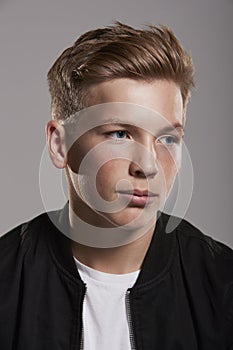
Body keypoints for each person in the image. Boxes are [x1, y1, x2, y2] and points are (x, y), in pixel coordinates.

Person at [0, 22, 232, 350]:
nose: (148, 166)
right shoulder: (6, 283)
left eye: (167, 138)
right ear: (59, 144)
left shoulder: (222, 286)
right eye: (120, 133)